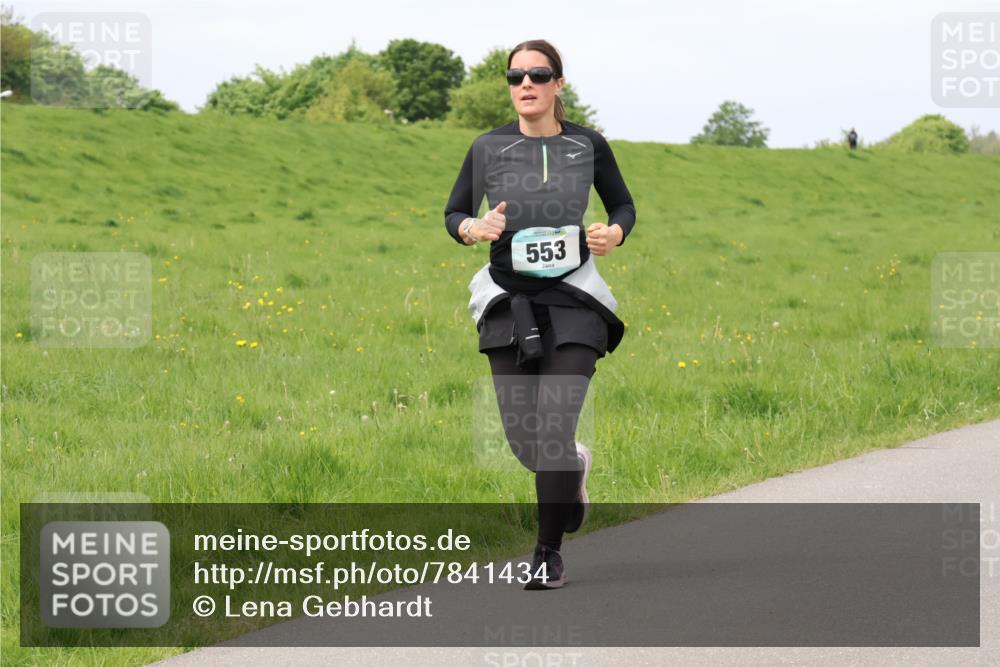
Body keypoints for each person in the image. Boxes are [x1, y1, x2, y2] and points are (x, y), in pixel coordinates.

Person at [444, 39, 636, 590]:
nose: (524, 84)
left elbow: (622, 203)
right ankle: (572, 469)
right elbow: (454, 210)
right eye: (515, 77)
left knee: (552, 429)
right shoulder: (487, 148)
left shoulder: (587, 145)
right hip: (509, 300)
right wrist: (470, 229)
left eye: (538, 74)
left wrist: (614, 232)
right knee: (525, 442)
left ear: (558, 84)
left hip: (574, 299)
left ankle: (547, 554)